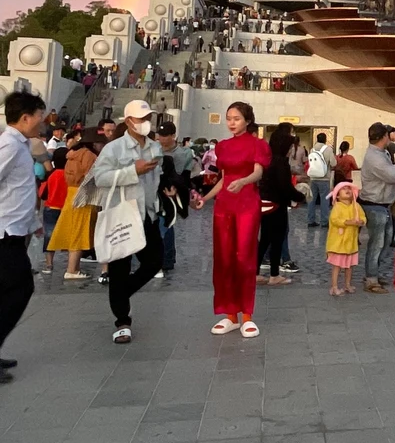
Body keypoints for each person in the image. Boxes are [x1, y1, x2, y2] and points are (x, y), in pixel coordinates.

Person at [74, 100, 164, 344]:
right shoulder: (114, 149)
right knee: (119, 266)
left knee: (155, 261)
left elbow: (158, 178)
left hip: (147, 214)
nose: (145, 123)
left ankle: (121, 294)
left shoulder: (155, 147)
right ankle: (122, 320)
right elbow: (100, 177)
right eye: (140, 118)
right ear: (129, 121)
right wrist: (132, 171)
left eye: (148, 118)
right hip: (120, 213)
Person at [195, 102, 271, 338]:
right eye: (229, 118)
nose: (231, 122)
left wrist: (245, 181)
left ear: (247, 120)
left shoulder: (258, 144)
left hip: (247, 203)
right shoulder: (224, 147)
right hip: (225, 204)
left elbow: (258, 172)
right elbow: (223, 179)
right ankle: (230, 314)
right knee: (224, 257)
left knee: (245, 258)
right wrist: (205, 199)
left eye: (236, 118)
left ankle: (247, 315)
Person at [0, 91, 47, 382]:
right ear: (25, 117)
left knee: (9, 290)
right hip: (4, 233)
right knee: (20, 288)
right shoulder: (9, 145)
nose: (41, 124)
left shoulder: (19, 145)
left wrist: (31, 221)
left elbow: (17, 191)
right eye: (39, 117)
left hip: (15, 229)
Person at [359, 122, 395, 294]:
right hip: (375, 204)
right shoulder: (375, 156)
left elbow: (389, 171)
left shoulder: (381, 153)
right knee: (377, 243)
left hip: (383, 204)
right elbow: (392, 175)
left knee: (386, 241)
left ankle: (373, 273)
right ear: (384, 137)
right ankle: (371, 278)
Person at [47, 129, 101, 280]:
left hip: (71, 193)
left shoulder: (71, 155)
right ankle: (72, 269)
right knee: (80, 231)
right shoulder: (88, 155)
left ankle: (74, 268)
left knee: (73, 231)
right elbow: (92, 175)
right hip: (84, 194)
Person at [256, 127, 305, 287]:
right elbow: (285, 187)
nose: (292, 150)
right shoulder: (281, 162)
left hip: (265, 204)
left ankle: (255, 272)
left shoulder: (268, 159)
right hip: (277, 206)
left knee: (264, 240)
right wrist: (300, 197)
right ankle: (274, 274)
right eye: (290, 147)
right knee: (277, 239)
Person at [154, 122, 194, 276]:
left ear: (173, 136)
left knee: (166, 224)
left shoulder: (184, 153)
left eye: (165, 135)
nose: (162, 138)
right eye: (160, 135)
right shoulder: (153, 150)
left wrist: (177, 190)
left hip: (171, 191)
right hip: (153, 190)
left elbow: (185, 175)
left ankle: (167, 259)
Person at [326, 181, 366, 295]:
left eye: (349, 188)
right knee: (337, 265)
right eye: (343, 189)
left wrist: (361, 221)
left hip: (351, 243)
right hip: (339, 243)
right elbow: (335, 220)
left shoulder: (356, 206)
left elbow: (363, 216)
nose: (347, 190)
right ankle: (334, 286)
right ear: (337, 195)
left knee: (349, 266)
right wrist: (348, 222)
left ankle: (347, 284)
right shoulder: (337, 207)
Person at [38, 147, 69, 274]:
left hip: (51, 208)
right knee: (69, 236)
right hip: (66, 209)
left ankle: (49, 264)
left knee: (49, 236)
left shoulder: (51, 175)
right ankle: (71, 265)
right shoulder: (70, 174)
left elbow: (43, 194)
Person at [306, 133, 335, 227]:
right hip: (324, 178)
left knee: (311, 199)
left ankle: (310, 220)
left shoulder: (312, 149)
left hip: (313, 178)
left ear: (317, 139)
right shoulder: (328, 149)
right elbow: (334, 163)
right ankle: (324, 221)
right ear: (325, 140)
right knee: (324, 200)